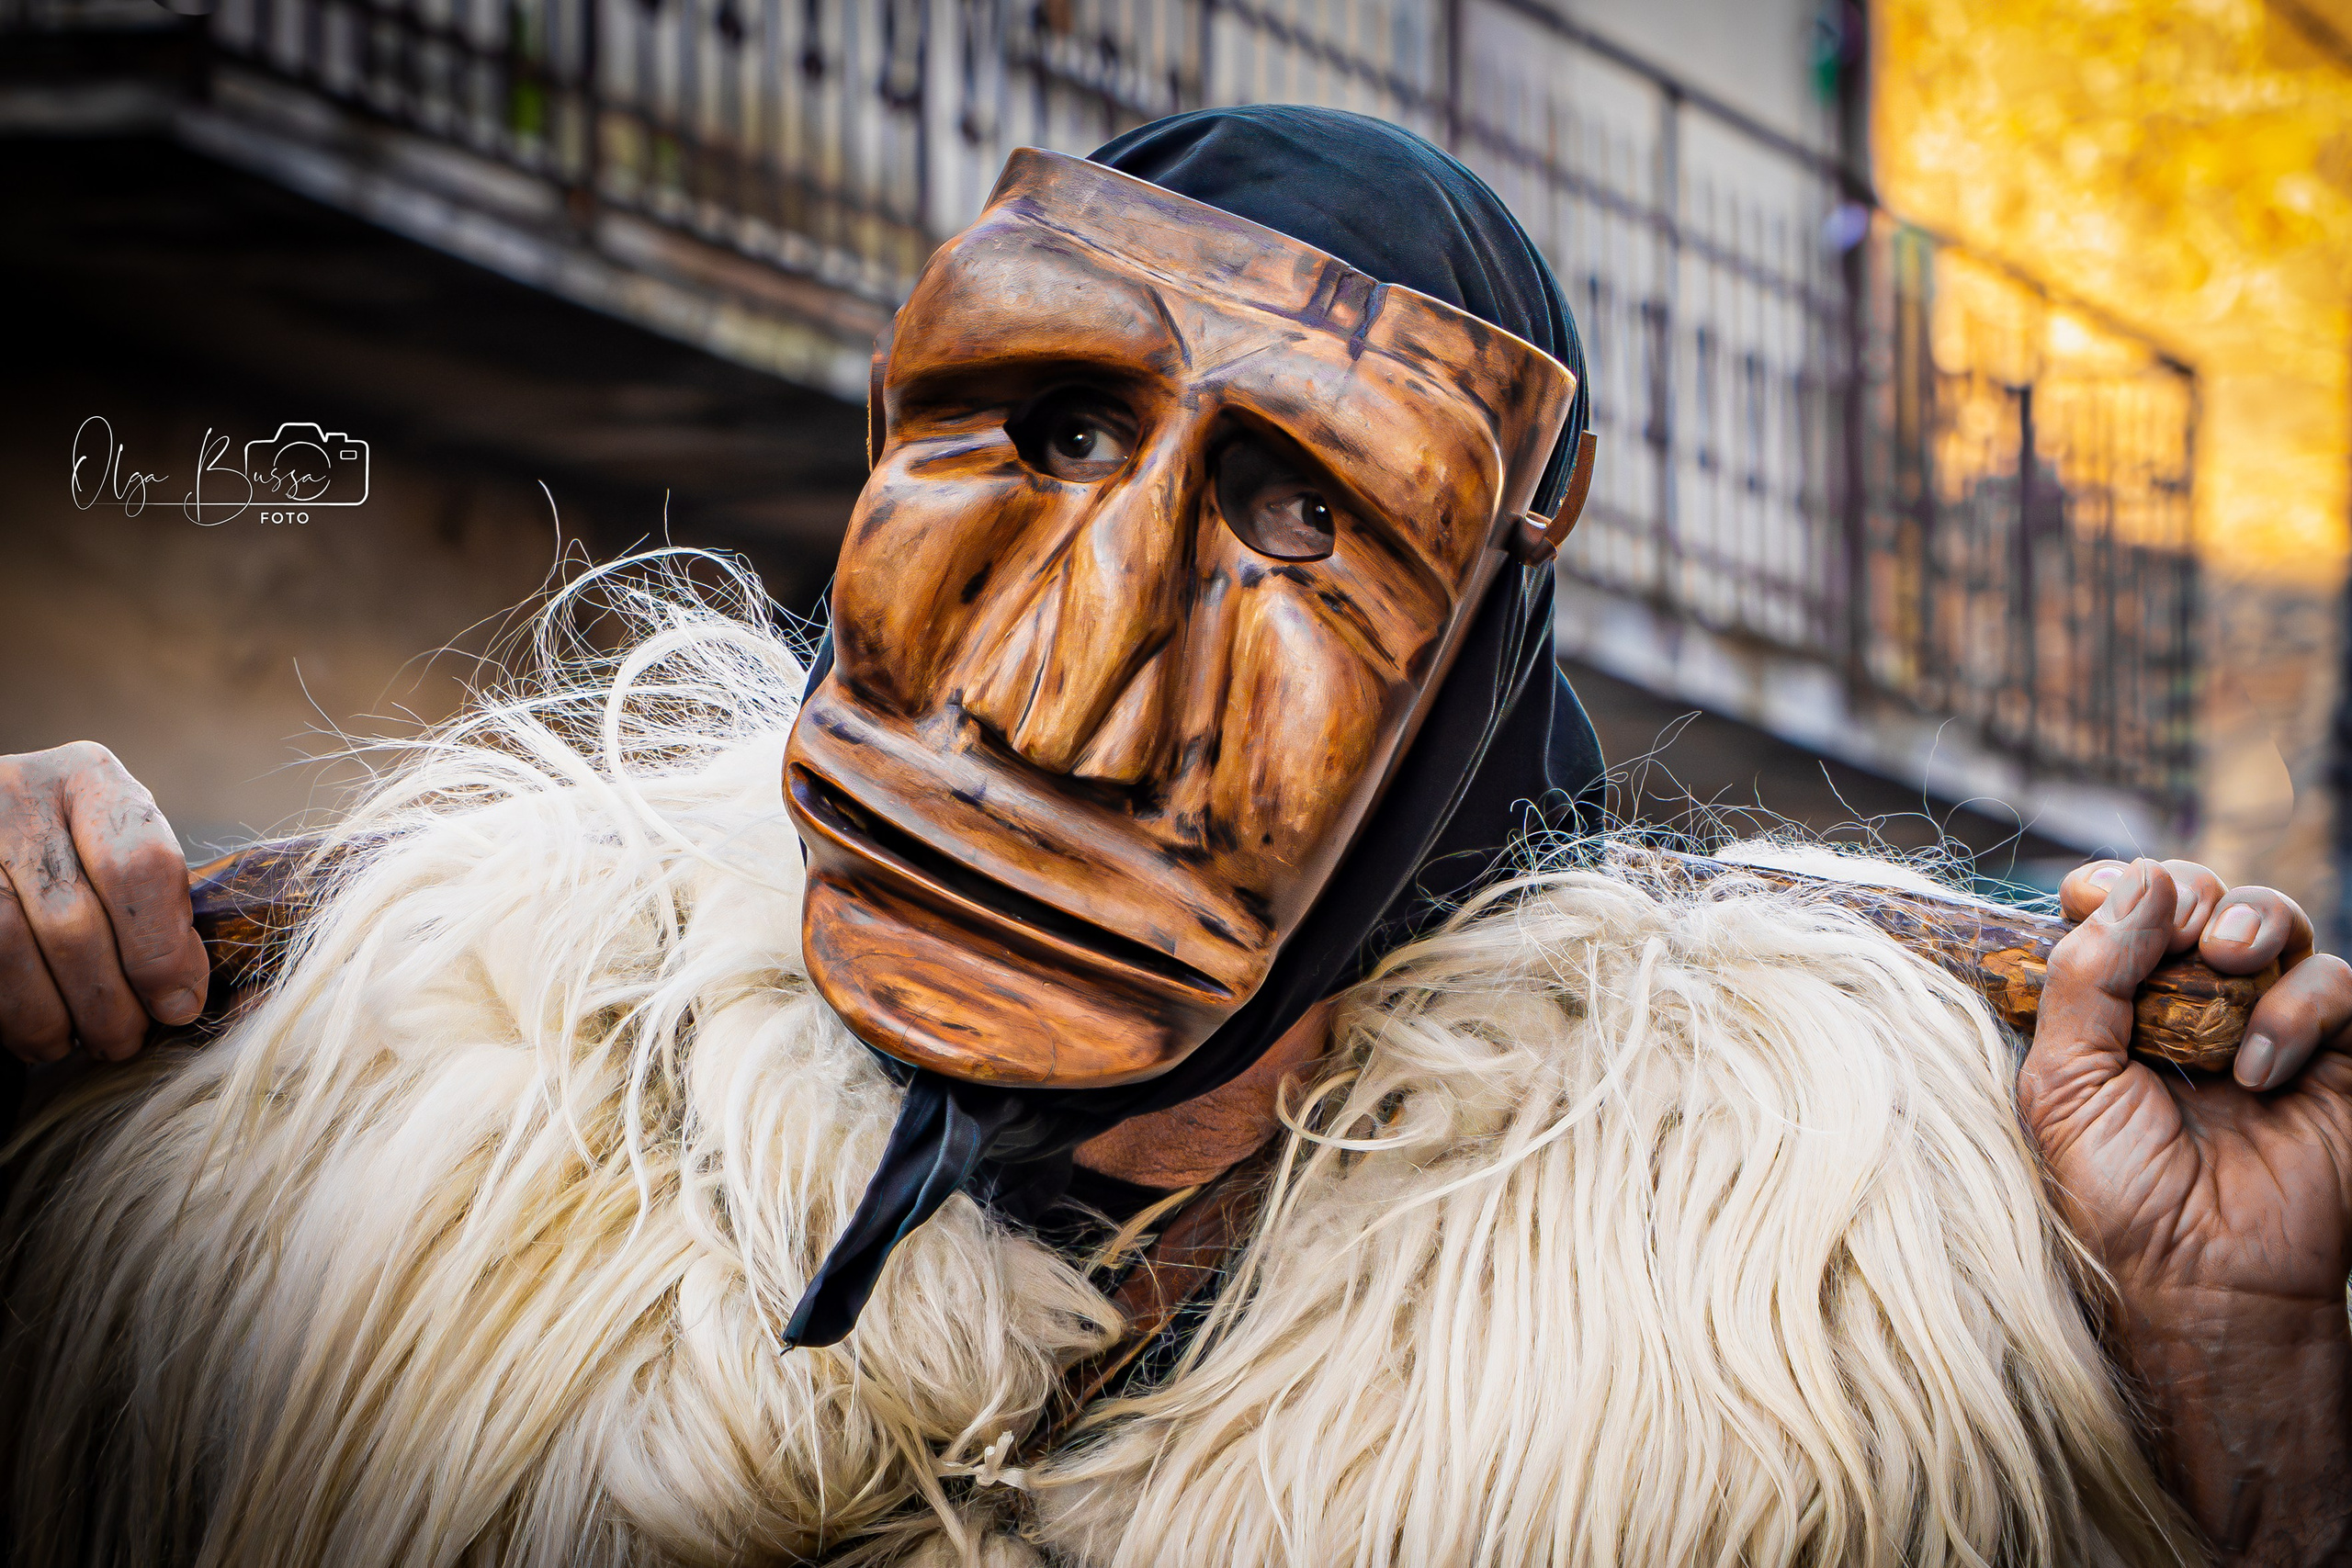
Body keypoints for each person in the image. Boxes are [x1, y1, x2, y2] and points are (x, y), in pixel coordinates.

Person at [1, 107, 2346, 1567]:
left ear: (1477, 675)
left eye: (1296, 520)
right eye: (1031, 430)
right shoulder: (383, 1160)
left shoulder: (1782, 1355)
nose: (1057, 681)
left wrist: (2241, 1378)